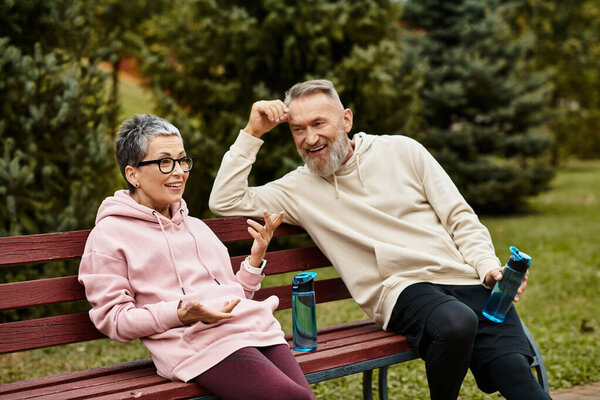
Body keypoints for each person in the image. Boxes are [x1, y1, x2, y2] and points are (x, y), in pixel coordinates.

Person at [208, 80, 552, 400]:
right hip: (402, 288)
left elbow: (459, 217)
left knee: (516, 375)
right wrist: (253, 132)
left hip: (465, 279)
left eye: (318, 124)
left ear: (346, 120)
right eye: (298, 129)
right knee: (457, 322)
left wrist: (489, 267)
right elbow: (223, 201)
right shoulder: (296, 189)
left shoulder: (403, 151)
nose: (309, 138)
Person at [78, 114, 315, 400]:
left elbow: (234, 295)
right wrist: (179, 314)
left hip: (253, 328)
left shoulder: (196, 227)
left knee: (302, 397)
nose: (178, 171)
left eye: (182, 160)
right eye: (165, 162)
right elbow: (113, 320)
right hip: (197, 347)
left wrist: (254, 260)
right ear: (133, 174)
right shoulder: (109, 234)